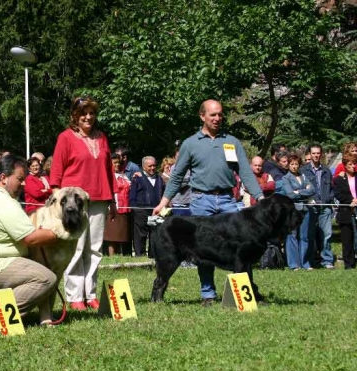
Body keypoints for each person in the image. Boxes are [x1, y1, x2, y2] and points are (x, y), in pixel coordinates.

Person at [152, 99, 264, 306]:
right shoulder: (190, 143)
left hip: (228, 201)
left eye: (220, 114)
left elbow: (246, 172)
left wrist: (261, 197)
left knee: (241, 248)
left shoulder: (231, 142)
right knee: (202, 250)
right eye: (213, 115)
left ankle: (245, 294)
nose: (217, 118)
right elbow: (177, 177)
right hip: (201, 200)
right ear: (202, 116)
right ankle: (208, 295)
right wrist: (164, 202)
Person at [0, 155, 64, 325]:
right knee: (46, 279)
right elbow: (30, 238)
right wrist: (58, 232)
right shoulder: (4, 202)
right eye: (20, 179)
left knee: (28, 267)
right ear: (3, 178)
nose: (24, 184)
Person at [50, 96, 116, 311]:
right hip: (73, 202)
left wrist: (112, 199)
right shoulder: (65, 138)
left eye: (91, 113)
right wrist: (55, 198)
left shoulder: (102, 138)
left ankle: (91, 294)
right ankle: (75, 295)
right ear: (75, 116)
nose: (88, 117)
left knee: (95, 249)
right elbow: (57, 170)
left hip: (100, 198)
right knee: (76, 248)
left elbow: (109, 170)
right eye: (83, 114)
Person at [301, 144, 334, 269]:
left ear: (321, 154)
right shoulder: (304, 171)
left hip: (325, 206)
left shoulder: (326, 170)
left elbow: (331, 188)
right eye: (313, 153)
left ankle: (327, 260)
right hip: (310, 207)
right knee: (309, 235)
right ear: (310, 154)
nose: (316, 155)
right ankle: (309, 261)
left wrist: (329, 199)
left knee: (327, 234)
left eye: (318, 153)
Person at [282, 154, 315, 271]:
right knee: (292, 236)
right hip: (293, 211)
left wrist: (298, 192)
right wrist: (303, 191)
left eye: (296, 164)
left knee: (304, 237)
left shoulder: (304, 176)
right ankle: (294, 264)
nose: (294, 166)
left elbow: (312, 190)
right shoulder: (286, 178)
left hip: (305, 209)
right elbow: (290, 194)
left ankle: (305, 263)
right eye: (292, 164)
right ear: (288, 166)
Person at [129, 156, 164, 257]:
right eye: (150, 166)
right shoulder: (137, 179)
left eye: (154, 165)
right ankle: (140, 256)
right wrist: (135, 210)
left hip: (156, 211)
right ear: (144, 167)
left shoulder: (160, 179)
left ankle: (153, 256)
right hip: (141, 210)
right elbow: (132, 197)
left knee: (155, 234)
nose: (152, 168)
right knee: (140, 235)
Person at [104, 153, 132, 256]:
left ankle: (121, 255)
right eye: (114, 162)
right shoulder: (107, 176)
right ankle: (111, 256)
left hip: (124, 207)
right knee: (112, 234)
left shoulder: (123, 175)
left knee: (122, 234)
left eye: (119, 163)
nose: (117, 165)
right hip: (113, 207)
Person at [333, 153, 357, 270]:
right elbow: (338, 194)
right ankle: (349, 264)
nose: (353, 166)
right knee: (347, 239)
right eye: (350, 164)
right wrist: (351, 200)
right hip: (346, 211)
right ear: (345, 165)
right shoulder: (339, 179)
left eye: (354, 164)